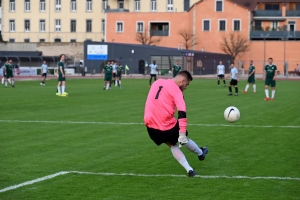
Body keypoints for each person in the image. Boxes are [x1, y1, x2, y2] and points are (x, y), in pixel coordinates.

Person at [144, 70, 208, 177]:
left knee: (171, 144)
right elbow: (182, 114)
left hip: (150, 126)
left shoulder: (157, 82)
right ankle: (200, 154)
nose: (186, 87)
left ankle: (192, 167)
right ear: (182, 81)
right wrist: (182, 134)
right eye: (186, 84)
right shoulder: (177, 92)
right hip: (166, 125)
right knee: (183, 139)